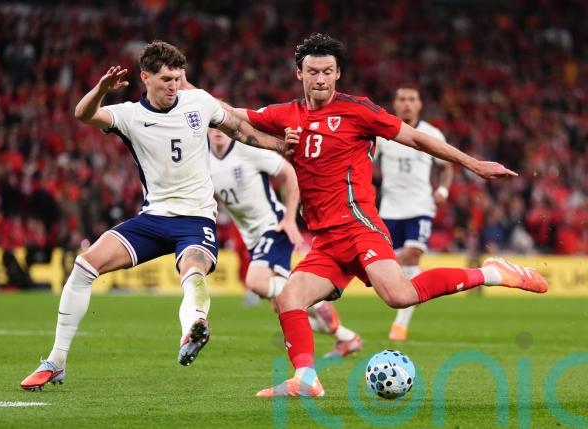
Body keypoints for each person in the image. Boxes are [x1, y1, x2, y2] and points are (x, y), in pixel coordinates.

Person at [230, 33, 548, 397]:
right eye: (313, 71)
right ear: (299, 73)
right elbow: (232, 116)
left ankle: (492, 273)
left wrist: (472, 163)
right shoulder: (285, 114)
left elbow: (415, 138)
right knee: (289, 299)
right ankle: (305, 379)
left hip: (358, 227)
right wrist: (190, 97)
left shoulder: (358, 111)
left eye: (328, 71)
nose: (321, 79)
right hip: (327, 240)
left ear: (338, 74)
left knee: (399, 295)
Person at [20, 40, 284, 391]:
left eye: (177, 78)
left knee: (192, 268)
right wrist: (101, 89)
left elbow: (239, 128)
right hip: (153, 218)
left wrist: (280, 146)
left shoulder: (199, 102)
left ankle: (193, 328)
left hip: (196, 219)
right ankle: (56, 361)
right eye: (166, 80)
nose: (174, 86)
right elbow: (83, 114)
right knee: (84, 266)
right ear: (145, 77)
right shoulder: (130, 115)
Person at [208, 127, 363, 358]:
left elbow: (289, 172)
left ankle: (318, 304)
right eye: (211, 125)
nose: (217, 130)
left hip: (274, 226)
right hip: (253, 238)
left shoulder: (247, 150)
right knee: (283, 305)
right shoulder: (203, 160)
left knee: (256, 282)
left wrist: (290, 218)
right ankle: (346, 337)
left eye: (220, 124)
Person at [373, 85, 454, 341]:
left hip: (420, 206)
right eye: (402, 99)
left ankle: (399, 326)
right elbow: (366, 161)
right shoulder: (383, 133)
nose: (407, 104)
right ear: (395, 104)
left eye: (412, 99)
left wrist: (443, 189)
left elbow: (446, 166)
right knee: (402, 267)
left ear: (419, 104)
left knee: (412, 254)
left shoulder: (432, 133)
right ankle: (416, 291)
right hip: (390, 208)